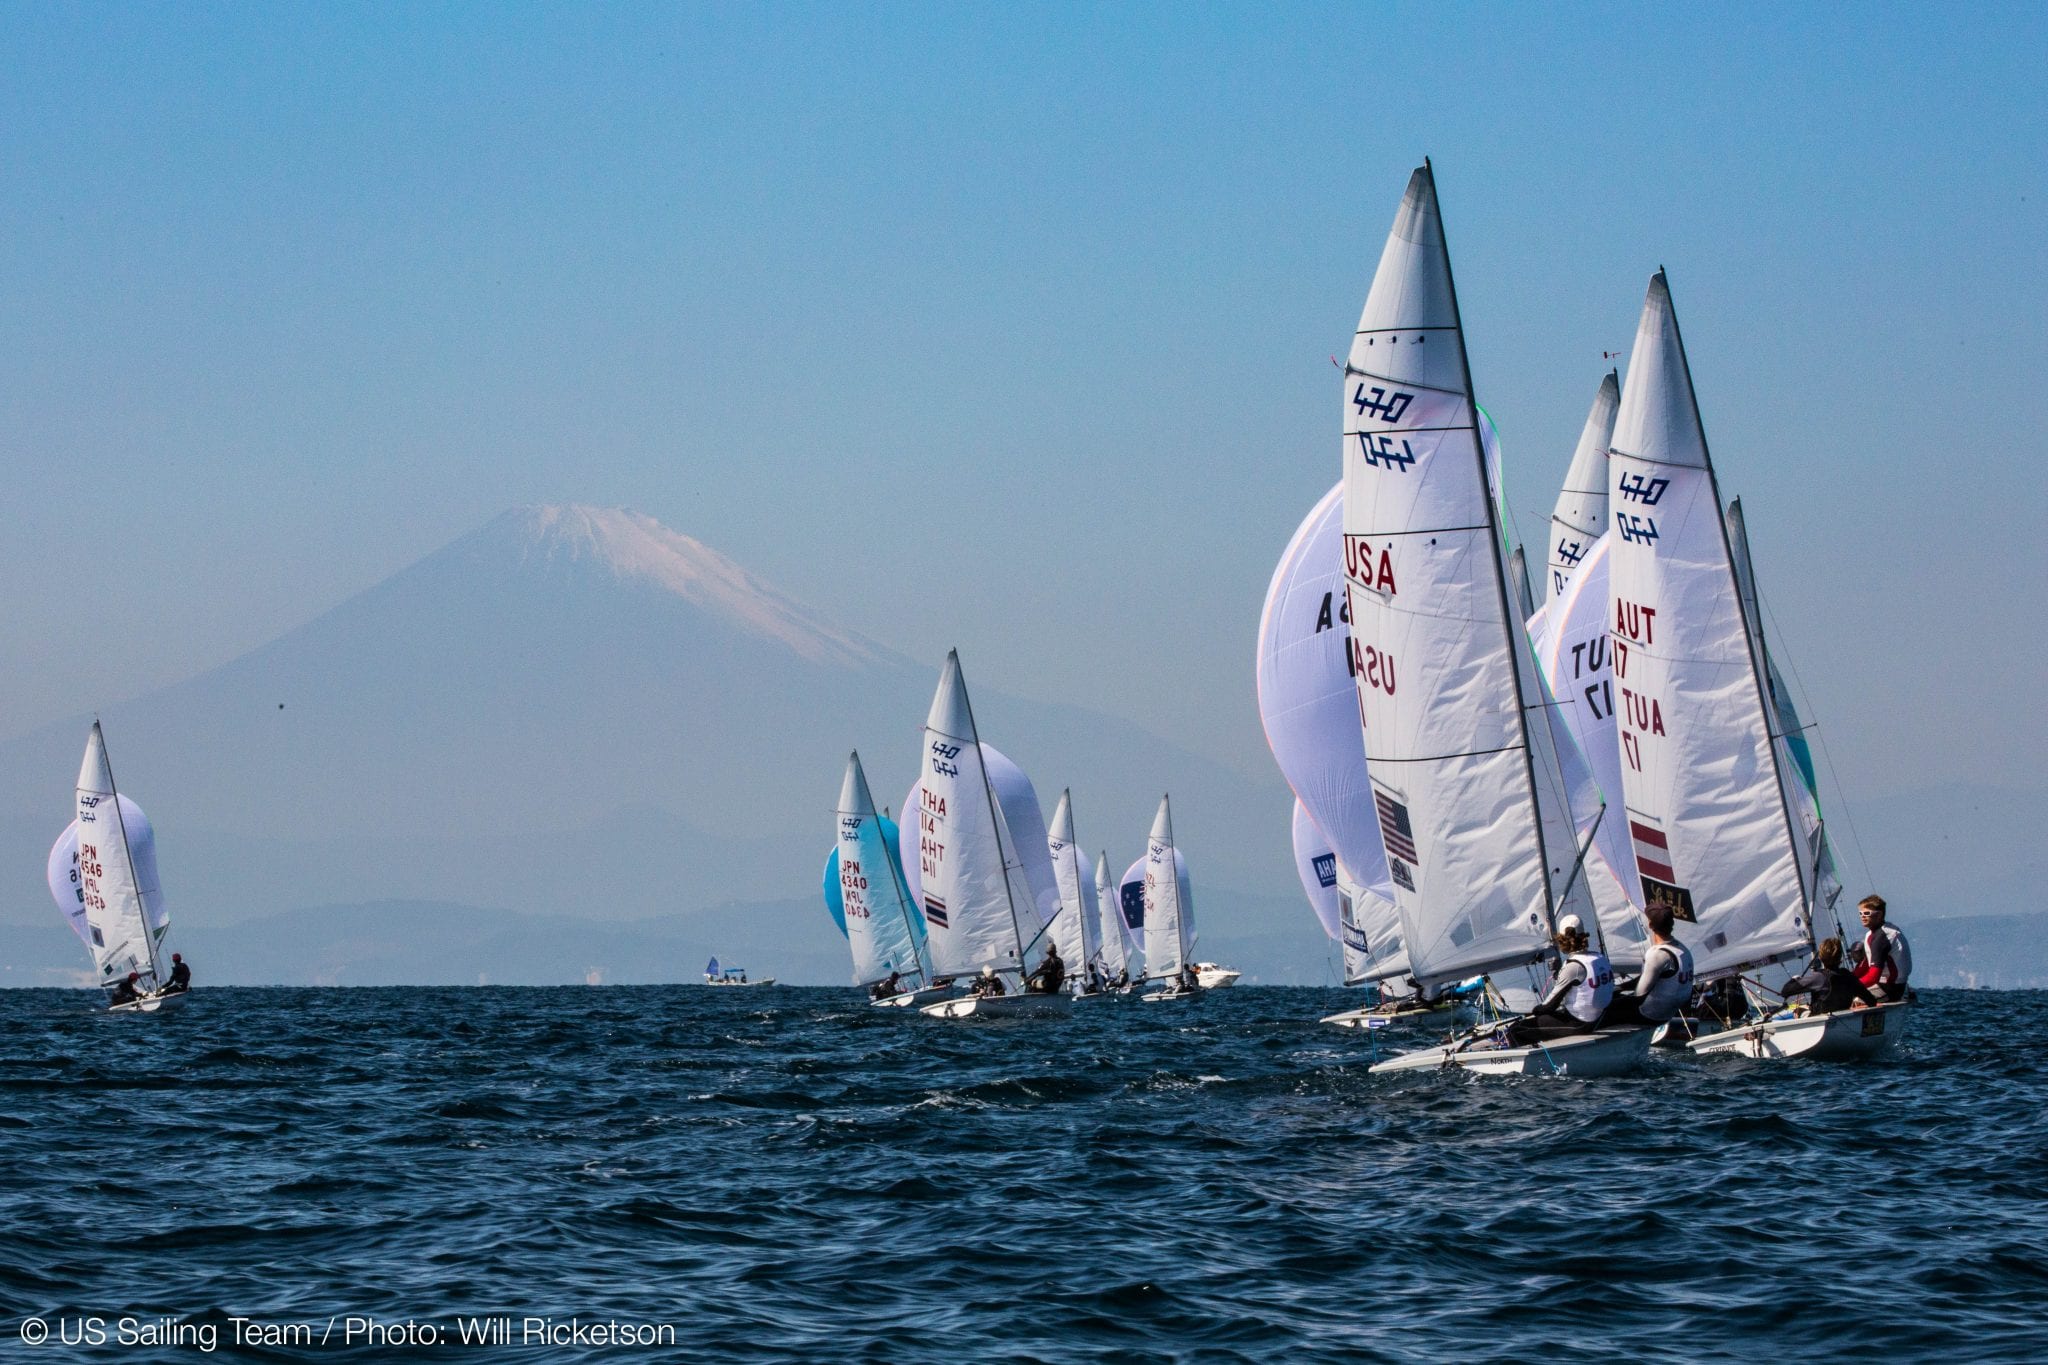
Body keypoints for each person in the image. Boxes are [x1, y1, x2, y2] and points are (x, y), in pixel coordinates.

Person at [1505, 916, 1612, 1045]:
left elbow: (1550, 1006)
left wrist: (1535, 1010)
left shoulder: (1573, 967)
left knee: (1516, 1029)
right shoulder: (1599, 957)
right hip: (1599, 1017)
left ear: (1562, 940)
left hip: (1579, 1023)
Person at [1600, 906, 1693, 1027]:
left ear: (1649, 924)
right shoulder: (1682, 949)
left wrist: (1612, 996)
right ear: (1672, 923)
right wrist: (1620, 987)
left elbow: (1639, 994)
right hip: (1669, 1012)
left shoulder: (1657, 955)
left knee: (1602, 1007)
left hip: (1650, 1014)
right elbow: (1652, 977)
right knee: (1617, 998)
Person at [1854, 895, 1912, 1002]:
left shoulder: (1883, 937)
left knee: (1853, 1000)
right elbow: (1865, 965)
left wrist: (1850, 986)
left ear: (1879, 915)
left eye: (1867, 913)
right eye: (1861, 913)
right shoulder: (1871, 935)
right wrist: (1847, 980)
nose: (1862, 916)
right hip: (1883, 984)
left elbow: (1873, 977)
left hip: (1891, 988)